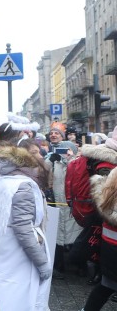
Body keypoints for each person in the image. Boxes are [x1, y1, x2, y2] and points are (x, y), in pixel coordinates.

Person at [0, 140, 52, 311]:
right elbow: (23, 230)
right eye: (35, 153)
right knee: (18, 298)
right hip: (18, 256)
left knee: (0, 294)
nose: (39, 156)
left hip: (1, 249)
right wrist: (42, 263)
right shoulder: (22, 186)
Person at [80, 133, 117, 311]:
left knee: (107, 285)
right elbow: (107, 207)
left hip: (111, 242)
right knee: (106, 285)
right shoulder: (112, 171)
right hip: (113, 243)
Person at [47, 139, 83, 278]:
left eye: (67, 151)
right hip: (58, 203)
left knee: (76, 234)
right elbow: (43, 172)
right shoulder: (54, 162)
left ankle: (79, 265)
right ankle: (59, 266)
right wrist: (50, 160)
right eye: (61, 150)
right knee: (58, 237)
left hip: (72, 205)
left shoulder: (77, 163)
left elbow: (77, 174)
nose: (64, 154)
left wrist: (67, 161)